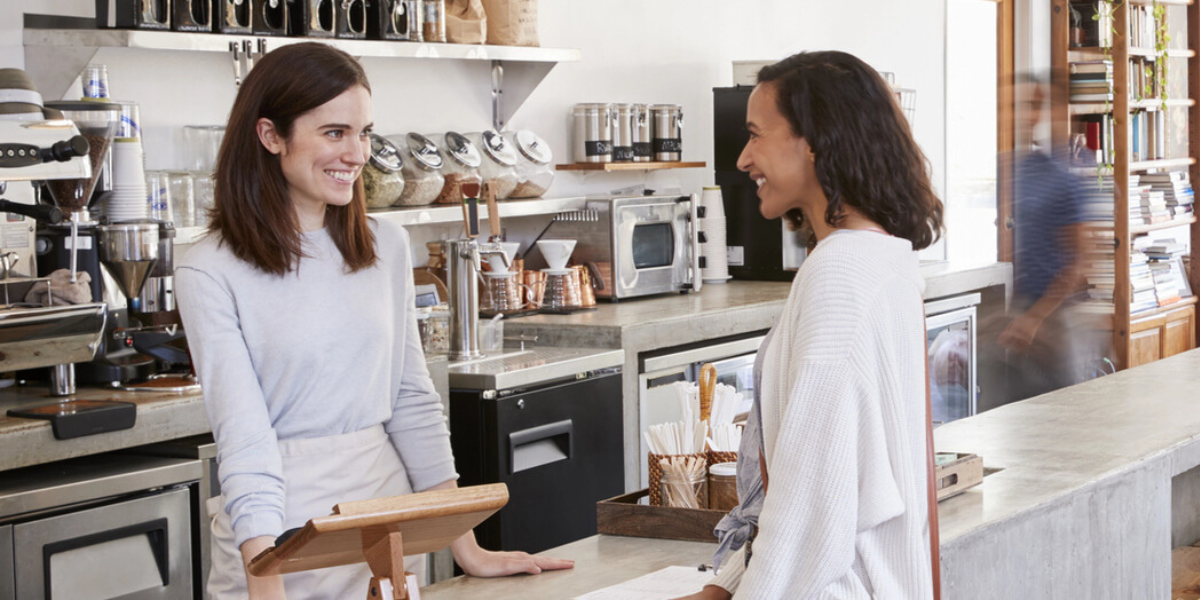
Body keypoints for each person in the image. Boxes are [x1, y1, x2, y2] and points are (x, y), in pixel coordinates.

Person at [174, 42, 571, 599]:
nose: (357, 153)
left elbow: (411, 398)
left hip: (383, 532)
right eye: (335, 133)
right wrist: (265, 581)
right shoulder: (209, 270)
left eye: (363, 133)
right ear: (270, 136)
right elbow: (245, 439)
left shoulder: (384, 244)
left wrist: (466, 546)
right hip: (278, 536)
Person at [677, 51, 943, 599]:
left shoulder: (840, 272)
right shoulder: (880, 258)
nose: (745, 158)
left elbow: (813, 494)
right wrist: (724, 586)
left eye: (756, 135)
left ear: (817, 141)